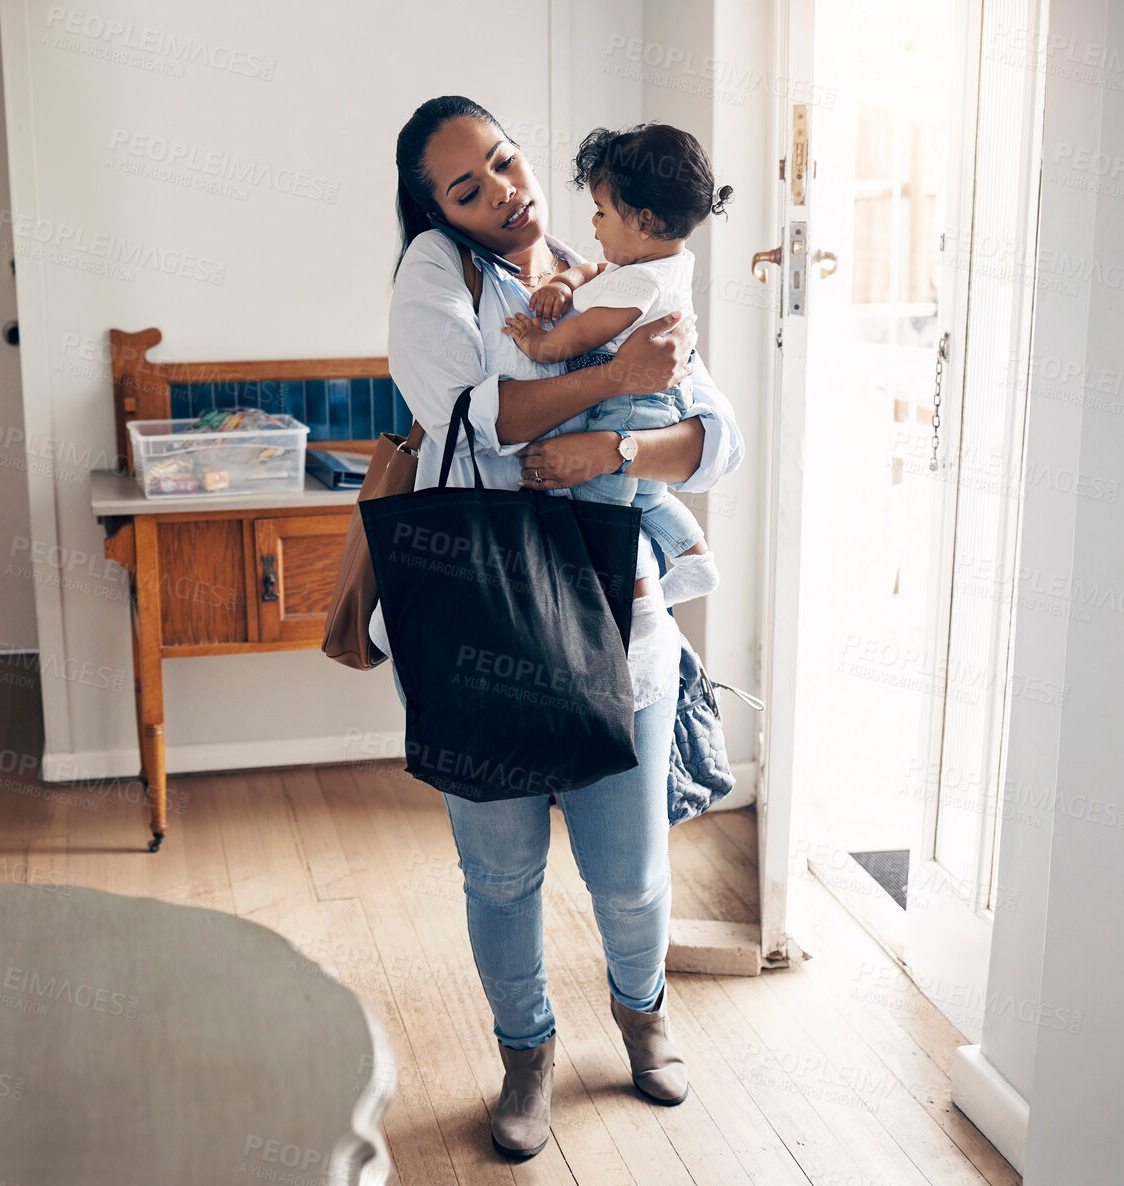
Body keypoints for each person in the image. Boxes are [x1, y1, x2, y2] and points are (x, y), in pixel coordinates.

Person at [368, 95, 744, 1161]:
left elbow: (712, 438)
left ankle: (642, 1012)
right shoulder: (434, 282)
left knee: (627, 872)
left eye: (503, 160)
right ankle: (526, 1051)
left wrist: (616, 447)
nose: (503, 192)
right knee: (500, 872)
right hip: (479, 613)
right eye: (466, 187)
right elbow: (468, 416)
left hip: (613, 624)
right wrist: (616, 380)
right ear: (431, 208)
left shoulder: (613, 268)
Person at [500, 122, 731, 606]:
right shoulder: (660, 263)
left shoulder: (633, 289)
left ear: (643, 222)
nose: (594, 223)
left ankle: (626, 608)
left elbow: (581, 335)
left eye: (601, 212)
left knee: (602, 510)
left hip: (630, 407)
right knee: (649, 499)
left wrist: (538, 344)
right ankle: (695, 559)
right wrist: (565, 283)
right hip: (665, 404)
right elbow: (597, 269)